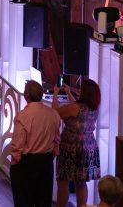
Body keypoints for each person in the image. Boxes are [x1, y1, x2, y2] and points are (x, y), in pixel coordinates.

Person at [8, 80, 61, 207]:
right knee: (43, 201)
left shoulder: (23, 116)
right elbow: (57, 140)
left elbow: (18, 145)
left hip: (26, 164)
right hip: (46, 163)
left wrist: (14, 165)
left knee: (23, 201)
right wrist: (52, 154)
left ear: (26, 96)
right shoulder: (53, 114)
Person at [53, 79, 101, 207]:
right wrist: (69, 92)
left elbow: (55, 113)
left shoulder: (75, 108)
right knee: (81, 182)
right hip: (89, 148)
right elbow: (76, 108)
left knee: (62, 180)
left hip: (71, 148)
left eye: (81, 89)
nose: (79, 90)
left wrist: (56, 94)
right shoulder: (93, 107)